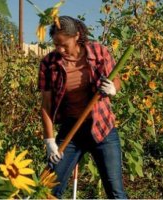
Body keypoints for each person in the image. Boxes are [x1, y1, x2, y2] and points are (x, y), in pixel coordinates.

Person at [38, 16, 127, 198]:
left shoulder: (99, 52)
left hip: (102, 128)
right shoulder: (49, 63)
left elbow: (116, 79)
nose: (60, 49)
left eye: (64, 44)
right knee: (48, 190)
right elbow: (46, 106)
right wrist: (50, 141)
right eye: (56, 44)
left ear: (77, 36)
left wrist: (113, 88)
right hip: (71, 131)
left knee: (115, 191)